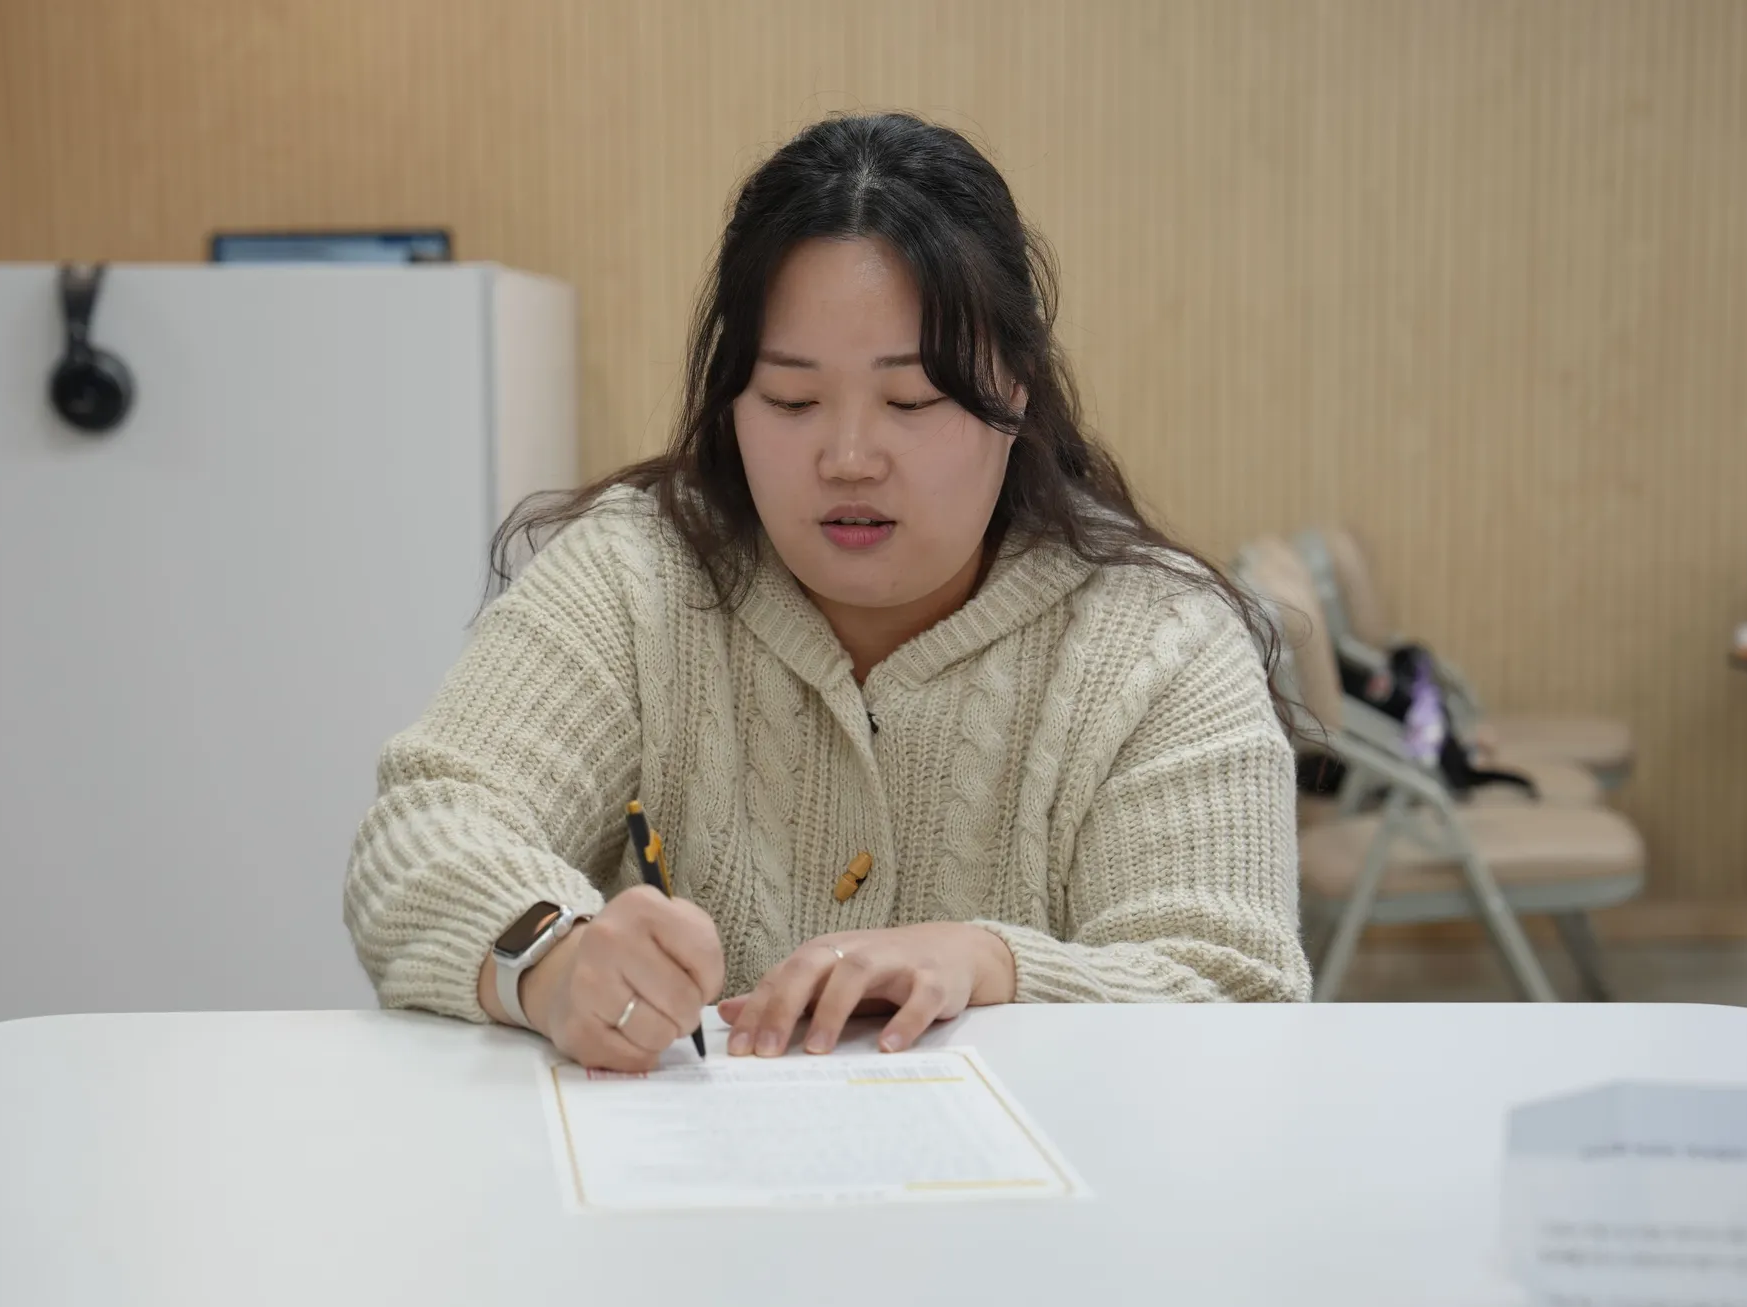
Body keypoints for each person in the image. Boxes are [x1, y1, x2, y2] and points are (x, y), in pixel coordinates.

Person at [345, 112, 1309, 1072]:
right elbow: (428, 826)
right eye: (792, 400)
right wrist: (554, 963)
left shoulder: (1160, 643)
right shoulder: (634, 576)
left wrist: (992, 963)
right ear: (732, 399)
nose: (848, 459)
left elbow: (1237, 988)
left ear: (1015, 395)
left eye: (912, 400)